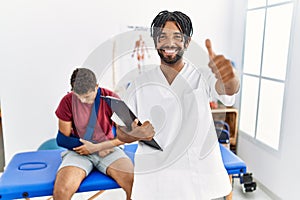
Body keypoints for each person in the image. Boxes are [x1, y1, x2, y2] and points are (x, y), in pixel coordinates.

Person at [82, 10, 240, 199]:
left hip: (197, 176)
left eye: (177, 36)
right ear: (155, 41)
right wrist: (134, 134)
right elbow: (121, 131)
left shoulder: (202, 75)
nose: (169, 42)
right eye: (162, 36)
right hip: (157, 178)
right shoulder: (140, 83)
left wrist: (230, 78)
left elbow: (228, 89)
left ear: (187, 42)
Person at [53, 68, 154, 200]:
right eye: (79, 97)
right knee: (62, 190)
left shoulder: (112, 100)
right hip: (79, 151)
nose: (83, 101)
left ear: (96, 86)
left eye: (88, 96)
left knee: (134, 184)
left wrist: (100, 147)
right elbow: (62, 139)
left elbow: (126, 136)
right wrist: (91, 147)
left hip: (109, 150)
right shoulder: (67, 101)